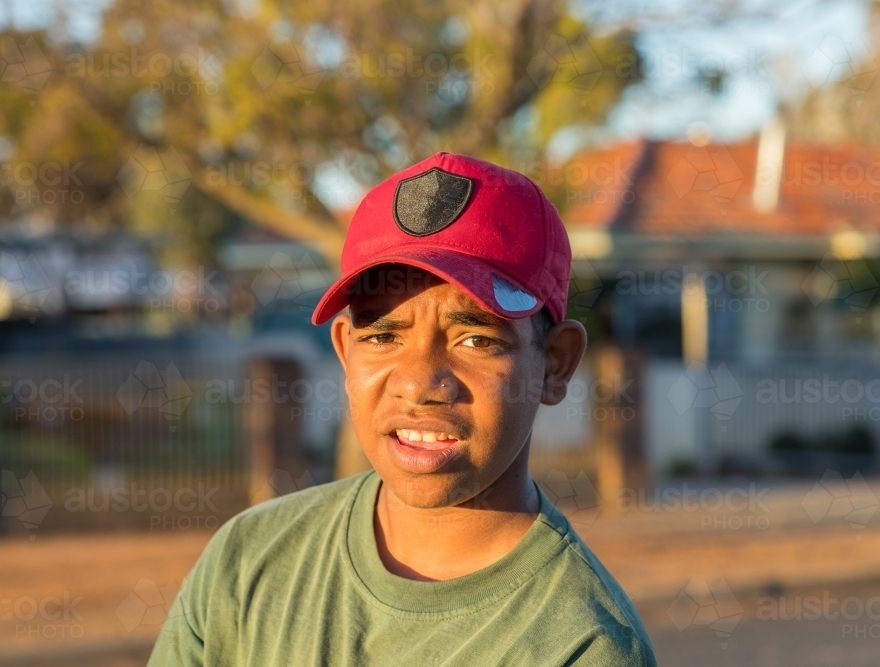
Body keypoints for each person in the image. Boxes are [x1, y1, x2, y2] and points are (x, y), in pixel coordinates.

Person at [148, 151, 657, 666]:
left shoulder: (581, 645)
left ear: (555, 365)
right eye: (385, 334)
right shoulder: (248, 563)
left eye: (476, 339)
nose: (419, 385)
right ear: (346, 352)